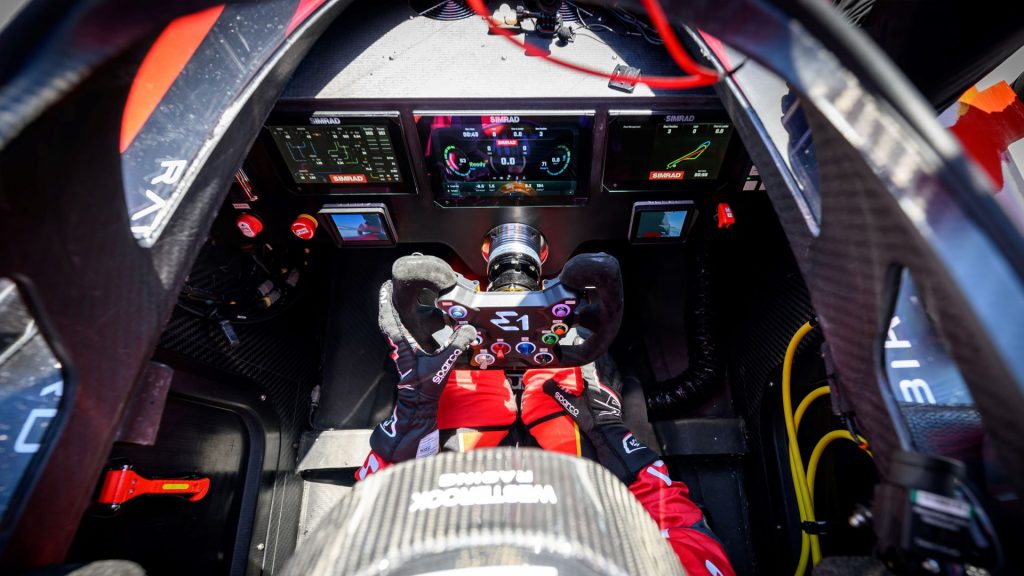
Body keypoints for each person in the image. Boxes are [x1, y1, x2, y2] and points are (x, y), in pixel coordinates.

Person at [355, 280, 735, 576]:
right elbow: (685, 545)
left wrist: (404, 438)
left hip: (446, 514)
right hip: (587, 515)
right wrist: (621, 450)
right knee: (573, 374)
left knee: (460, 384)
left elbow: (356, 540)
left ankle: (478, 328)